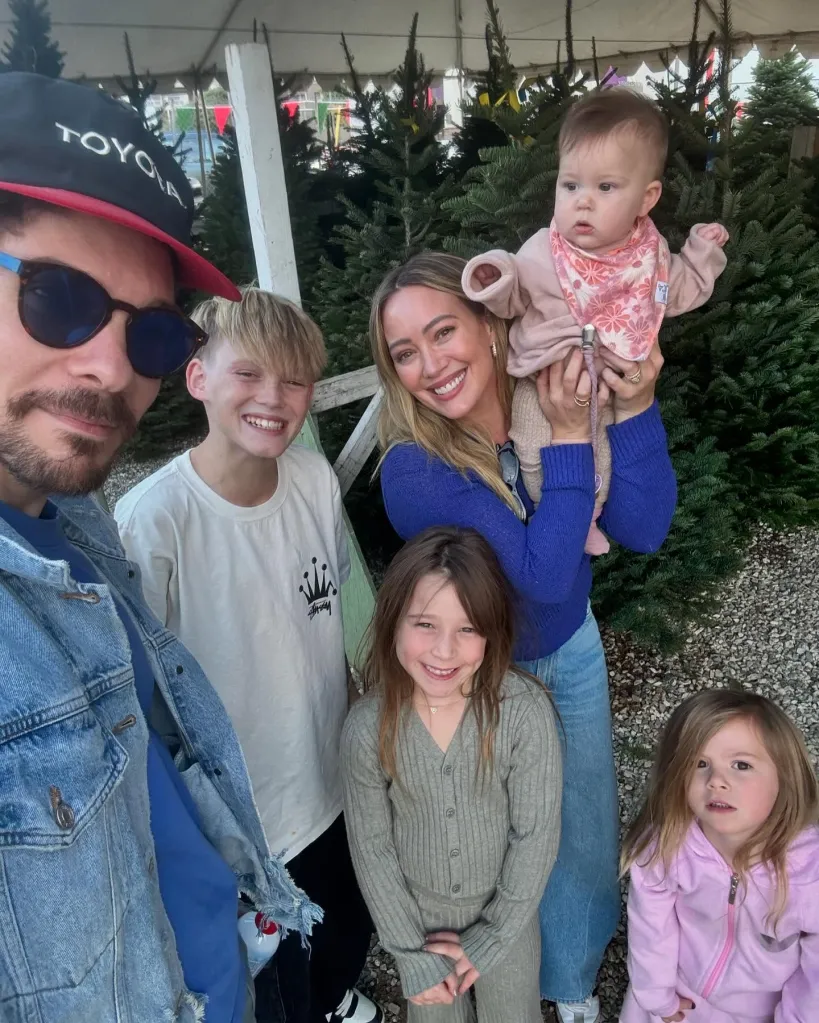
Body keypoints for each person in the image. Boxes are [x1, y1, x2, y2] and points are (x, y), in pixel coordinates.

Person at [0, 72, 320, 1023]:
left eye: (147, 331)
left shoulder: (78, 522)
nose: (106, 365)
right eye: (57, 300)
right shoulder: (148, 512)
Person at [370, 250, 677, 1023]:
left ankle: (569, 986)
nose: (430, 365)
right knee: (499, 842)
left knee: (578, 827)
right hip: (484, 680)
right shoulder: (413, 471)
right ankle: (493, 980)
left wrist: (634, 408)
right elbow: (540, 579)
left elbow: (642, 525)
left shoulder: (550, 395)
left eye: (443, 332)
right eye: (404, 352)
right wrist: (573, 440)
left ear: (491, 324)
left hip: (569, 653)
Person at [115, 288, 379, 1023]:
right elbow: (139, 698)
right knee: (273, 981)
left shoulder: (313, 481)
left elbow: (329, 611)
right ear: (198, 377)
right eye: (249, 374)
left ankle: (331, 997)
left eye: (293, 379)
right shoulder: (154, 520)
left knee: (345, 931)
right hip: (239, 822)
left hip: (328, 781)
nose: (274, 397)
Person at [462, 87, 727, 555]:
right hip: (543, 382)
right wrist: (494, 277)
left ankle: (590, 513)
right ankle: (559, 512)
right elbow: (514, 295)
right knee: (534, 443)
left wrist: (701, 253)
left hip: (613, 385)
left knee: (603, 451)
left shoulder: (650, 257)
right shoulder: (542, 250)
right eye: (571, 186)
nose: (583, 202)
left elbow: (677, 290)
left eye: (605, 187)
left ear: (647, 198)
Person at [341, 526, 562, 1022]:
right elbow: (372, 849)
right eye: (425, 624)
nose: (444, 651)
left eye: (467, 628)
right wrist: (407, 953)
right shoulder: (365, 730)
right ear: (393, 621)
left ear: (492, 630)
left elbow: (536, 835)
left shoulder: (522, 713)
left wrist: (494, 935)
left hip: (509, 922)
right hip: (419, 929)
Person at [620, 689, 819, 1022]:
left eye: (741, 765)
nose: (716, 781)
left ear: (784, 777)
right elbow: (650, 925)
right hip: (682, 1000)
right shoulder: (669, 844)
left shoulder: (807, 871)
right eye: (700, 764)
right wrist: (656, 995)